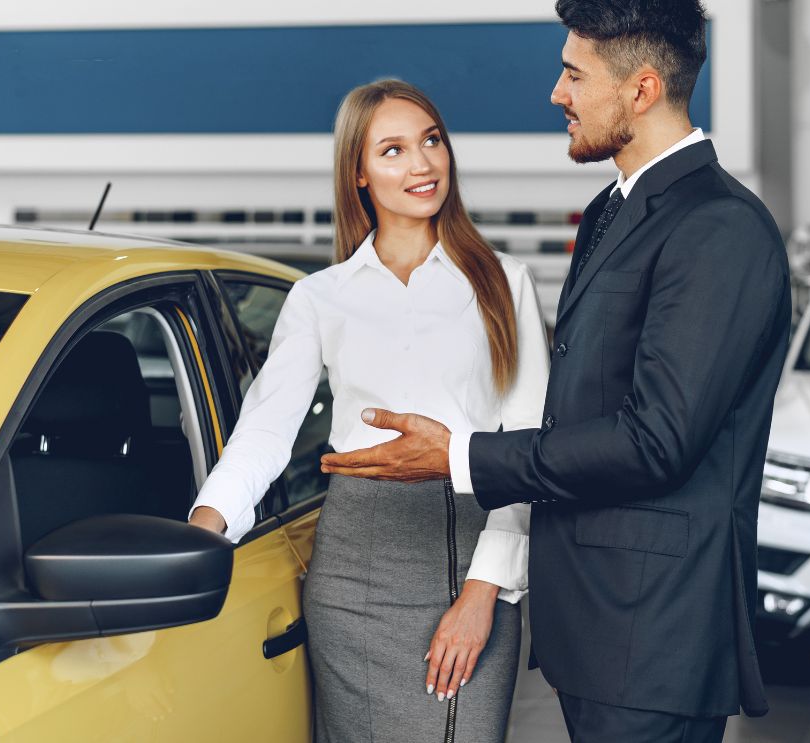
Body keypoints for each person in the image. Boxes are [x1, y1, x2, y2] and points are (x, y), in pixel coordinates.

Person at [321, 2, 791, 742]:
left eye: (574, 74)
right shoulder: (613, 208)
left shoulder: (717, 227)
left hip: (654, 628)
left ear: (639, 91)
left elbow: (656, 440)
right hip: (599, 626)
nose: (556, 93)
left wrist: (458, 454)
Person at [189, 79, 550, 742]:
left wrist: (483, 594)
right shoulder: (318, 298)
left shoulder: (505, 283)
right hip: (350, 571)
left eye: (431, 141)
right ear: (357, 173)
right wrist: (200, 533)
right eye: (392, 150)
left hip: (464, 555)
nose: (421, 164)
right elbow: (264, 434)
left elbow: (526, 449)